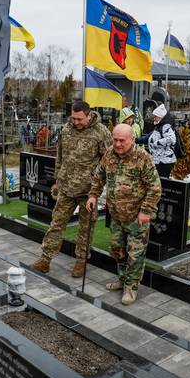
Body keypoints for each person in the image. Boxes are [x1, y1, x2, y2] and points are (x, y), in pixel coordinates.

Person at [31, 100, 112, 277]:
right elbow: (60, 156)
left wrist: (98, 188)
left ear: (88, 115)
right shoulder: (67, 129)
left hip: (88, 192)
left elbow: (109, 161)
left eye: (79, 119)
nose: (76, 122)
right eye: (73, 118)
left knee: (85, 228)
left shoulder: (101, 133)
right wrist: (57, 180)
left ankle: (81, 261)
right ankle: (45, 259)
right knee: (56, 224)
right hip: (66, 188)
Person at [86, 124, 161, 305]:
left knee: (135, 255)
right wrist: (93, 195)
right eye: (115, 139)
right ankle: (122, 279)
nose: (118, 144)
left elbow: (155, 187)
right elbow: (99, 176)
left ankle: (131, 287)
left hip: (137, 217)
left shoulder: (143, 158)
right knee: (117, 250)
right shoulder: (109, 154)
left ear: (132, 139)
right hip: (116, 215)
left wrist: (145, 211)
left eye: (122, 140)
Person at [136, 104, 176, 178]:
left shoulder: (165, 126)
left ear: (161, 117)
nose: (154, 118)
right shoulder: (158, 126)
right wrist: (135, 140)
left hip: (165, 161)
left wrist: (156, 143)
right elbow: (147, 138)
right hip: (158, 160)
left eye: (155, 116)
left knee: (162, 182)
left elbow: (171, 139)